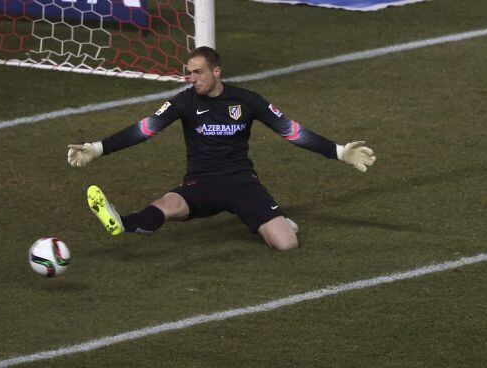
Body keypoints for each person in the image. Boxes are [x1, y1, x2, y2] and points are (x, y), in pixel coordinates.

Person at [67, 46, 376, 251]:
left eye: (198, 72)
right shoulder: (183, 101)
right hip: (201, 182)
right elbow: (144, 129)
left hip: (242, 182)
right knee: (168, 205)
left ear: (217, 72)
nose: (192, 78)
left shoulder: (248, 100)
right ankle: (122, 223)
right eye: (188, 72)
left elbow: (291, 131)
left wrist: (337, 151)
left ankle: (272, 219)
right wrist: (97, 148)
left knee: (287, 245)